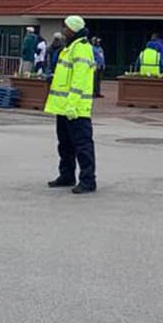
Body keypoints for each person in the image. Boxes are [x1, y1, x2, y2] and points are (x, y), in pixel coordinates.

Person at [45, 16, 98, 194]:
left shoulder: (81, 49)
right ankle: (67, 175)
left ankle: (88, 180)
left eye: (66, 27)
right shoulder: (69, 48)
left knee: (82, 145)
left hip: (76, 108)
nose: (63, 30)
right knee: (65, 144)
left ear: (73, 30)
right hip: (65, 106)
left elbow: (80, 80)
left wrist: (72, 104)